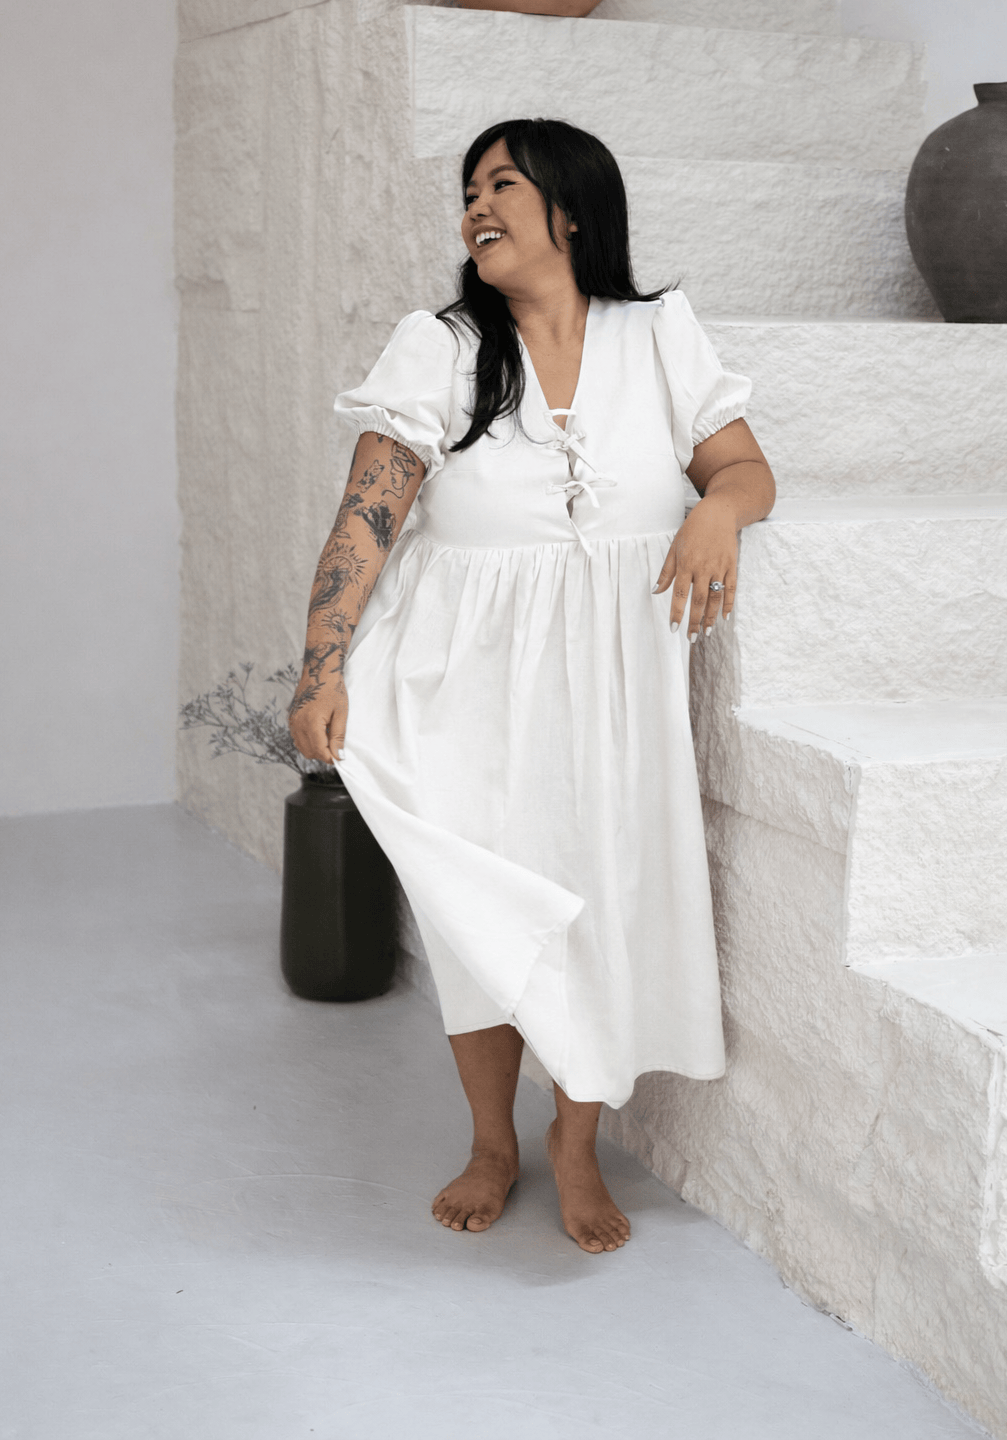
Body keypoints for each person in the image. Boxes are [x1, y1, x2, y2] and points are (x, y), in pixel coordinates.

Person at [289, 118, 776, 1255]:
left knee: (599, 903)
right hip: (456, 676)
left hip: (612, 685)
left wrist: (718, 509)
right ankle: (489, 1143)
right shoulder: (442, 345)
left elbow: (745, 466)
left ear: (572, 209)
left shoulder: (657, 334)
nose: (476, 206)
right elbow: (366, 517)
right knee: (479, 924)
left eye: (501, 184)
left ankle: (575, 1141)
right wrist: (320, 666)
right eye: (469, 190)